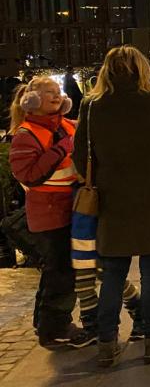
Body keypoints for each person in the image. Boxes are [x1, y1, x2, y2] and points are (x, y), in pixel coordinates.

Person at [72, 45, 150, 366]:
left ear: (106, 70)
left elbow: (80, 156)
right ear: (142, 68)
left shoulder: (92, 106)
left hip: (111, 198)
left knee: (112, 272)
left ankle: (107, 344)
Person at [8, 77, 89, 348]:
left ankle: (44, 324)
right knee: (62, 271)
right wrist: (62, 147)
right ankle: (55, 329)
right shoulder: (25, 134)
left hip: (70, 207)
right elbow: (28, 175)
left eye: (57, 92)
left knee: (56, 270)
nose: (56, 96)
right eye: (48, 93)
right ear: (31, 100)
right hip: (48, 213)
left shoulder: (66, 124)